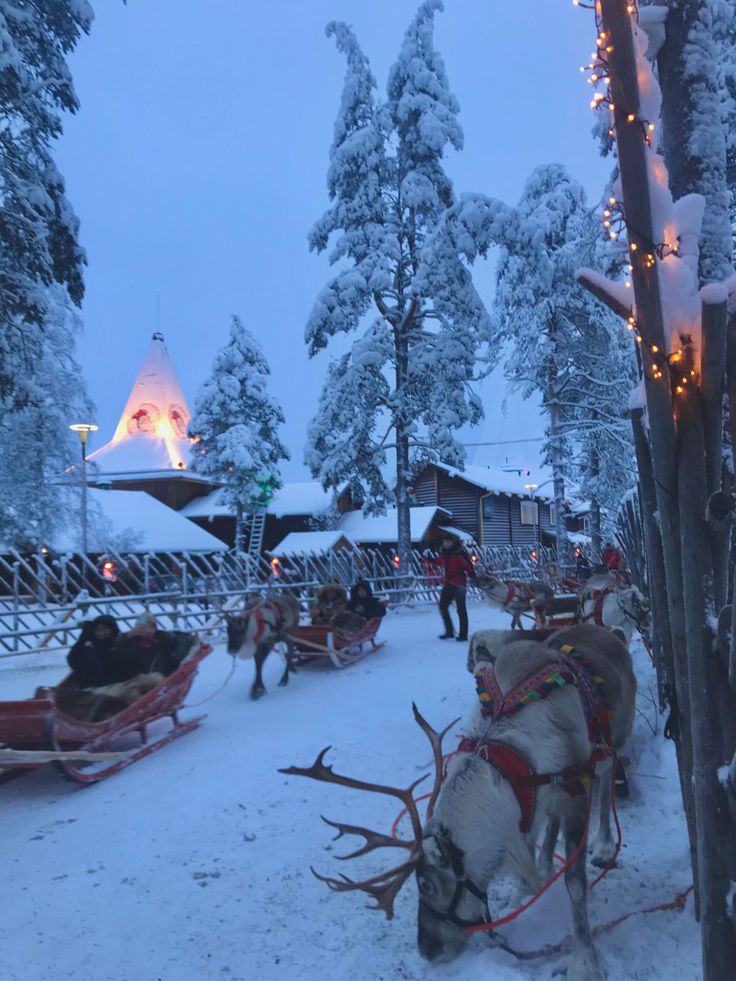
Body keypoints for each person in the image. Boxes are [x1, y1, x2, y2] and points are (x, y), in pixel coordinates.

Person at [67, 614, 126, 688]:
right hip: (88, 685)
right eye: (98, 630)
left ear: (112, 630)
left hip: (112, 685)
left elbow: (110, 668)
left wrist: (95, 653)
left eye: (105, 629)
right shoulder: (90, 644)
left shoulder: (119, 644)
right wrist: (83, 638)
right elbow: (73, 660)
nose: (101, 633)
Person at [436, 536, 475, 642]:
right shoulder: (445, 553)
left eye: (448, 542)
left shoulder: (459, 554)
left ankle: (463, 635)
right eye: (445, 542)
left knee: (461, 609)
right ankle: (449, 632)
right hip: (448, 583)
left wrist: (472, 574)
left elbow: (468, 567)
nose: (446, 544)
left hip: (459, 584)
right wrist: (429, 561)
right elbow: (439, 562)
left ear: (453, 543)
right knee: (442, 607)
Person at [117, 613, 180, 677]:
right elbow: (118, 646)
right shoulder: (131, 641)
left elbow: (172, 660)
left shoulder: (163, 640)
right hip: (136, 678)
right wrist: (129, 636)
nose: (147, 631)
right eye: (142, 628)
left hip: (159, 677)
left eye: (151, 627)